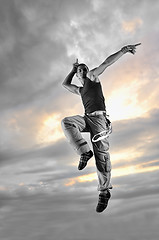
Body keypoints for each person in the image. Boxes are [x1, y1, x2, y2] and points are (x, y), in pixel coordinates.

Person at [61, 43, 141, 213]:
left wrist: (123, 50)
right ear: (77, 74)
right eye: (80, 70)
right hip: (87, 119)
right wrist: (72, 69)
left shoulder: (92, 77)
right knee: (67, 122)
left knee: (102, 156)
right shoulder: (80, 90)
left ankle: (104, 192)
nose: (83, 71)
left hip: (99, 120)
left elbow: (106, 63)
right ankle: (84, 152)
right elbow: (64, 84)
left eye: (84, 68)